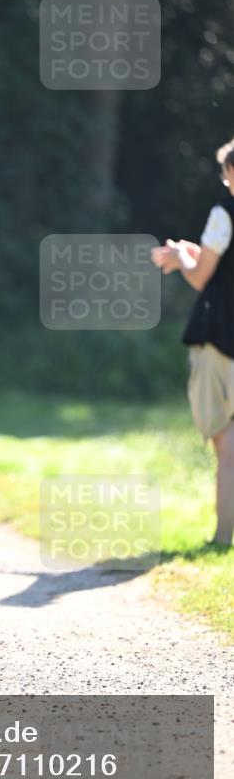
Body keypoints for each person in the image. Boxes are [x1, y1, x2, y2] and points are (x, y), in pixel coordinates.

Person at [151, 137, 234, 546]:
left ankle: (222, 538)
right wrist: (193, 251)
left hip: (221, 338)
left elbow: (203, 277)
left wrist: (180, 259)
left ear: (230, 172)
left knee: (226, 441)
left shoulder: (225, 211)